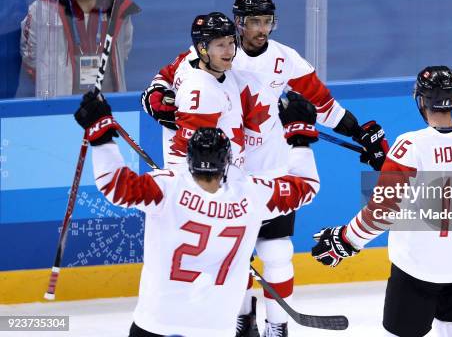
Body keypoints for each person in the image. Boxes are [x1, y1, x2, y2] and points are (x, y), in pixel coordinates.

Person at [141, 0, 389, 336]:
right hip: (231, 175)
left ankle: (278, 325)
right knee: (234, 256)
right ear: (238, 23)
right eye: (254, 21)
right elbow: (170, 76)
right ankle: (243, 317)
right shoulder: (215, 50)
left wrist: (360, 133)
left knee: (277, 254)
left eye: (267, 21)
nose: (261, 29)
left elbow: (324, 105)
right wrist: (154, 94)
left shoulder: (285, 59)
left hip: (272, 168)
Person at [311, 66, 452, 337]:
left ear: (421, 100)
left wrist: (346, 240)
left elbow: (383, 211)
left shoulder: (410, 146)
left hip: (419, 269)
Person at [74, 89, 321, 337]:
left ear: (189, 158)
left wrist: (100, 134)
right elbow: (306, 187)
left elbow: (115, 186)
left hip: (156, 322)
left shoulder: (165, 188)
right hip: (214, 328)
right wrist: (299, 138)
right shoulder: (252, 195)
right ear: (226, 161)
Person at [20, 0, 139, 96]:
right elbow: (30, 55)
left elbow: (124, 48)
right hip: (62, 100)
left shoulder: (117, 5)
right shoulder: (44, 7)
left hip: (108, 100)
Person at [142, 12, 245, 169]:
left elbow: (165, 75)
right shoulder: (202, 92)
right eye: (221, 45)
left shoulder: (190, 58)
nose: (229, 51)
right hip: (214, 185)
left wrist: (156, 89)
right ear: (202, 49)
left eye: (231, 43)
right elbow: (182, 154)